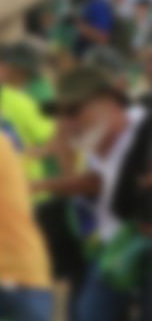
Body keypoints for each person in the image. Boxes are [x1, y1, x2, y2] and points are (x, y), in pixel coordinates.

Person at [35, 65, 150, 320]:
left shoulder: (143, 129)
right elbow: (92, 182)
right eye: (64, 114)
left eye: (74, 111)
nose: (69, 122)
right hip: (112, 247)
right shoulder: (98, 140)